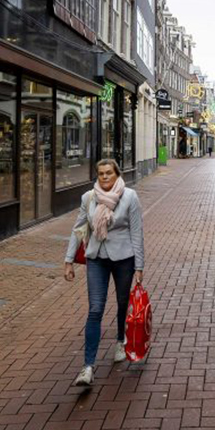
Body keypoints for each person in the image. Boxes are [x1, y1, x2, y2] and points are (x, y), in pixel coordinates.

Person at [64, 159, 145, 387]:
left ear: (117, 174)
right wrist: (68, 260)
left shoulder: (129, 196)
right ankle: (87, 367)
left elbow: (137, 233)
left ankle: (121, 340)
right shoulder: (89, 198)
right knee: (95, 308)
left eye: (109, 173)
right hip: (96, 258)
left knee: (122, 302)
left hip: (123, 258)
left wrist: (139, 266)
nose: (105, 177)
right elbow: (78, 229)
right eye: (101, 174)